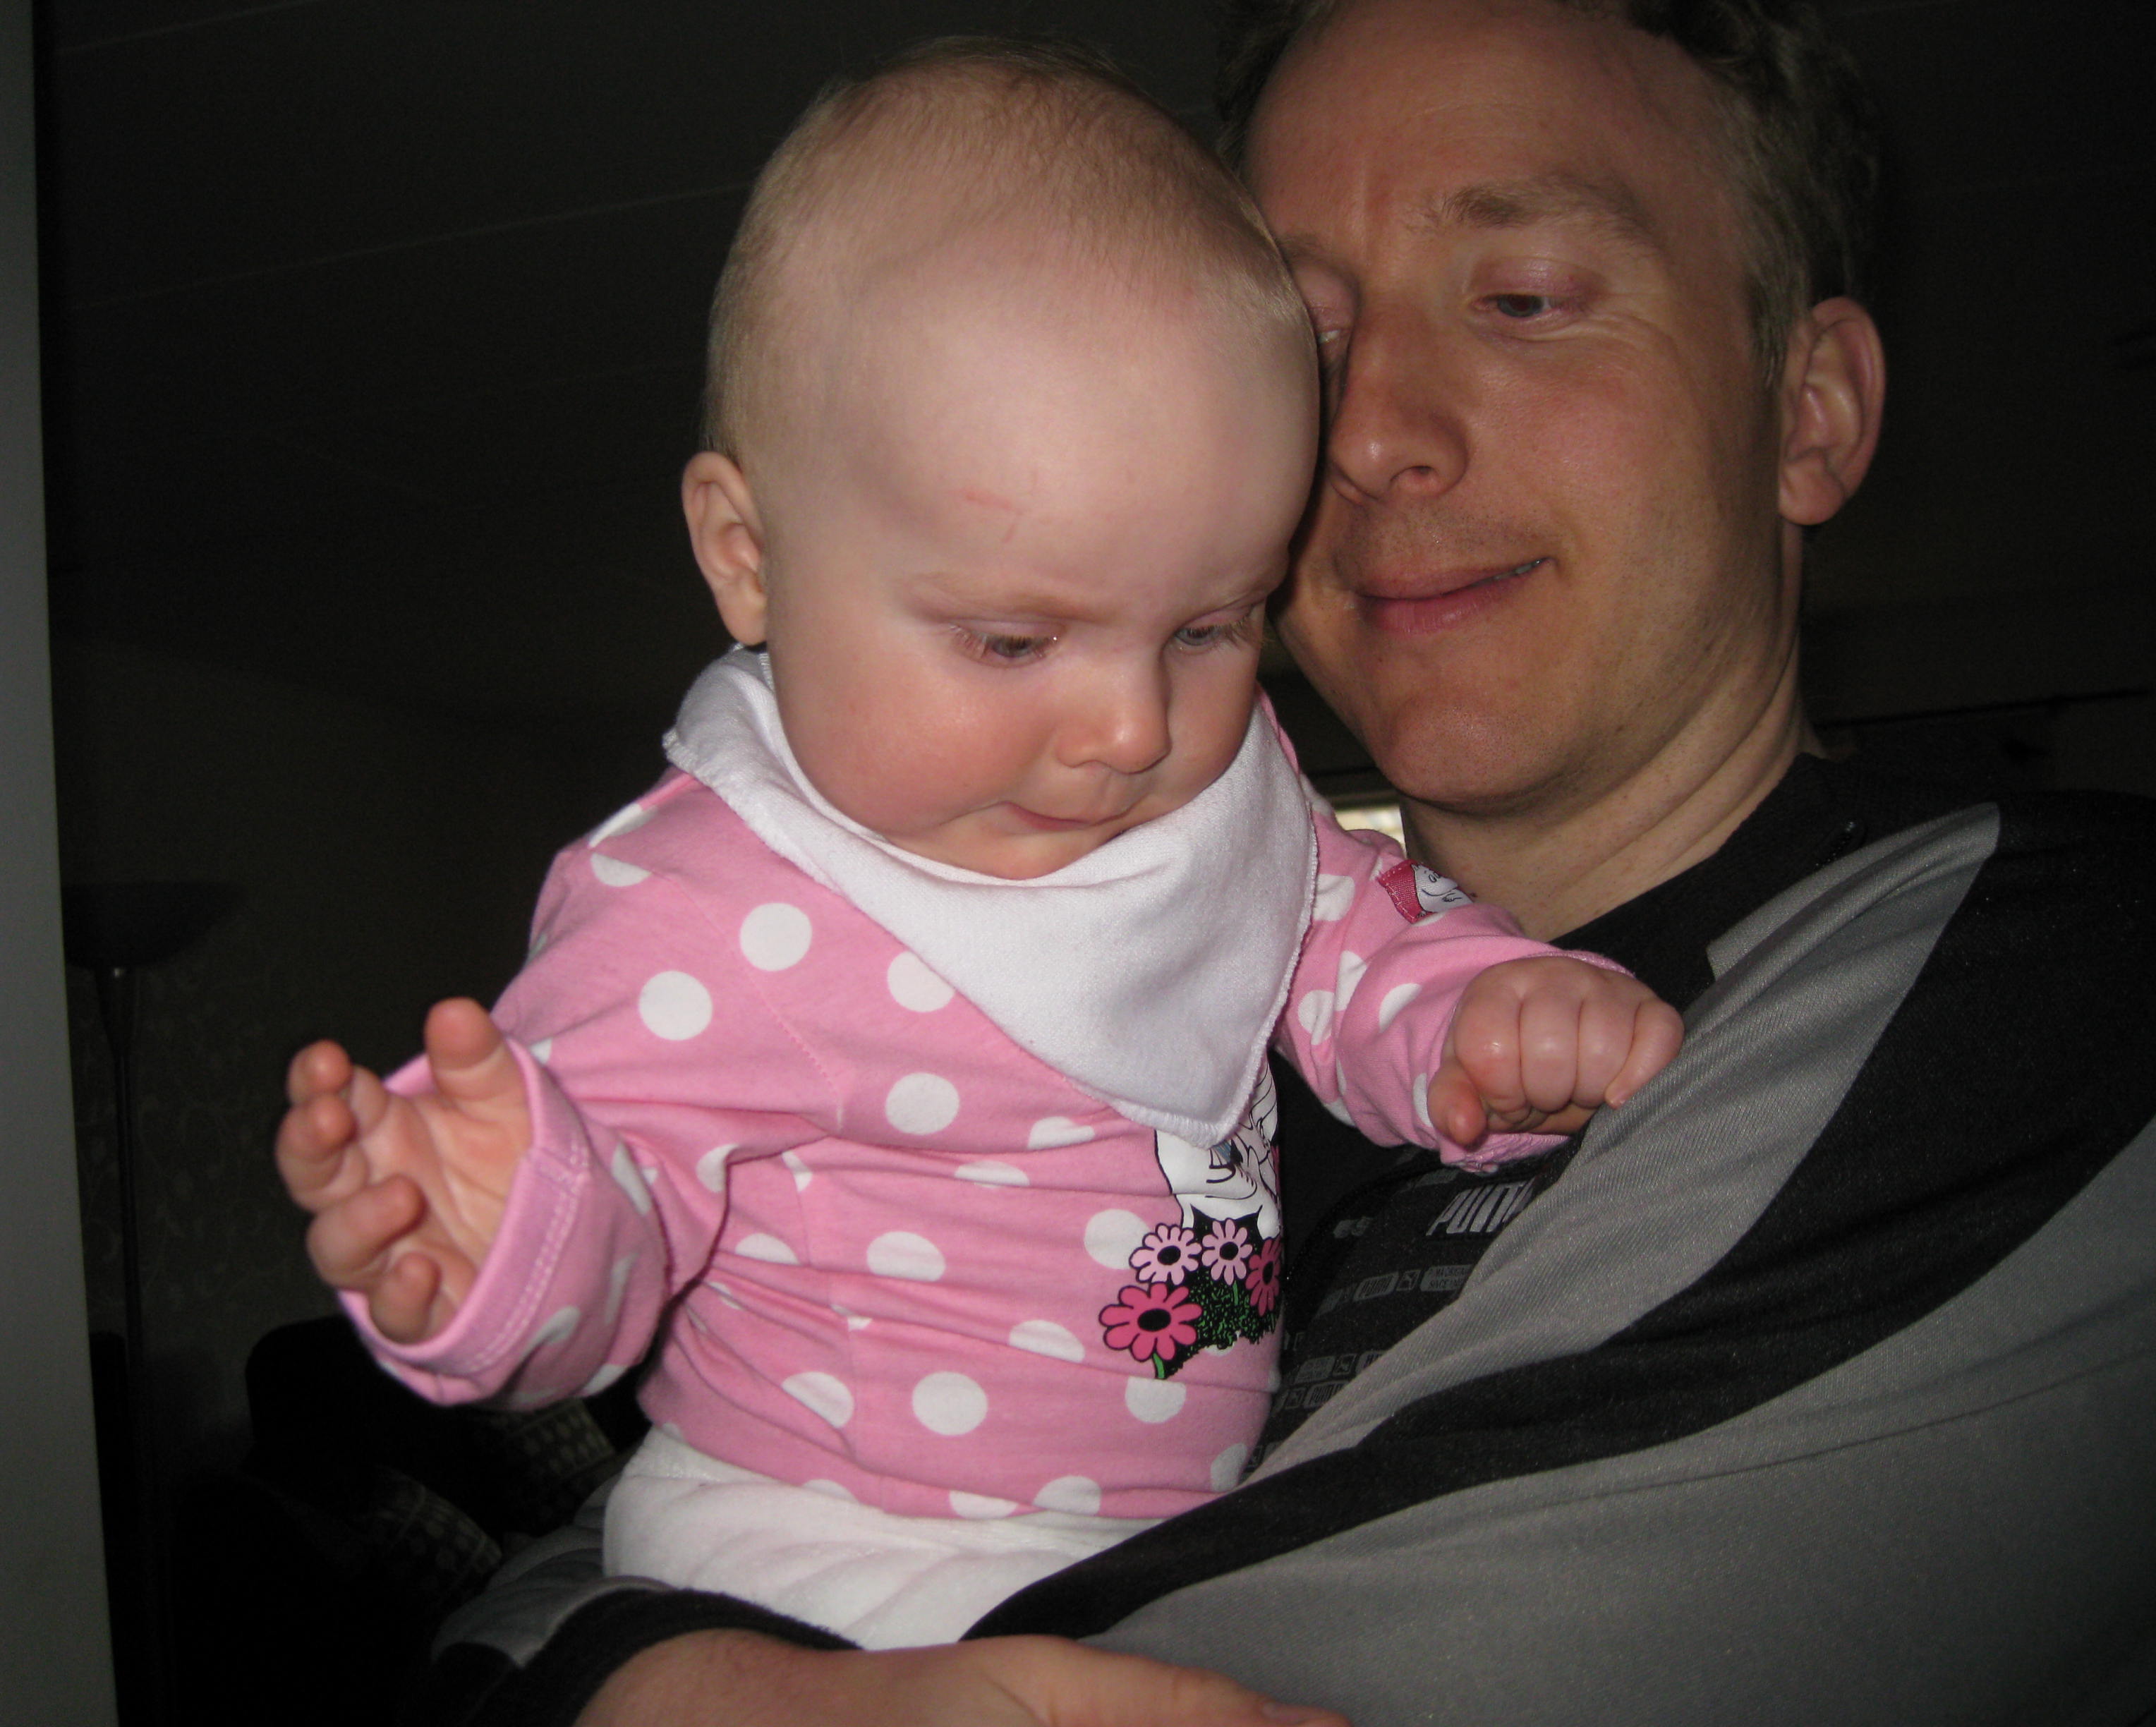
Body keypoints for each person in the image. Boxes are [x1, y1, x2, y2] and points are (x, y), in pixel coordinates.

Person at [407, 1, 2156, 1722]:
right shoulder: (1164, 1007)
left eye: (1527, 296)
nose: (1369, 436)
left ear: (1807, 408)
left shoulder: (2119, 987)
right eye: (1307, 343)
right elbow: (643, 1535)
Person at [274, 39, 1680, 1658]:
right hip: (835, 1559)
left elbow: (1347, 940)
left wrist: (1479, 1020)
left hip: (1164, 1537)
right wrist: (500, 1235)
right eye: (1014, 642)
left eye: (1210, 627)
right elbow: (613, 1237)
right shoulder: (706, 908)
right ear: (746, 556)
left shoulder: (1218, 803)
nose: (1132, 729)